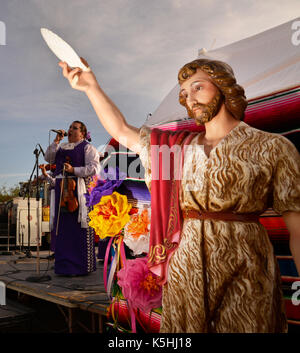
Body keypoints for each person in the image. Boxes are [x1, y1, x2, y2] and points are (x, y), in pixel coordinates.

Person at [58, 58, 300, 332]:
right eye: (184, 94)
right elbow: (123, 131)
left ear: (223, 86)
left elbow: (298, 230)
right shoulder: (175, 150)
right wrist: (92, 87)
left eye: (197, 88)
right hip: (187, 265)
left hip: (247, 263)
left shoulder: (272, 147)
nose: (190, 99)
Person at [40, 121, 100, 276]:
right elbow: (48, 157)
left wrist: (74, 169)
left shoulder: (87, 147)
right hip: (61, 190)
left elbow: (94, 168)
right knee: (63, 229)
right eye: (70, 128)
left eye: (75, 128)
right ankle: (63, 266)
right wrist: (57, 141)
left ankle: (81, 266)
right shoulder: (61, 147)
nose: (70, 130)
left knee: (78, 227)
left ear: (82, 133)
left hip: (78, 190)